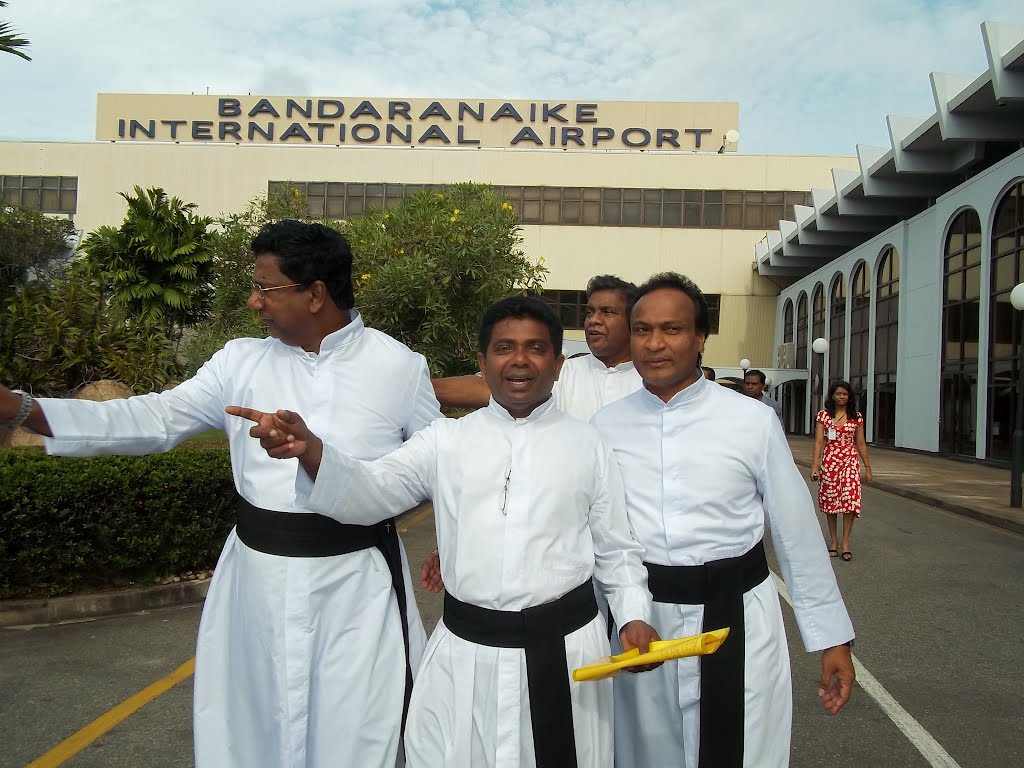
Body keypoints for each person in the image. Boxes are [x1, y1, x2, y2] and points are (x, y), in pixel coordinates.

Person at [0, 220, 442, 768]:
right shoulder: (240, 362)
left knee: (357, 734)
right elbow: (156, 418)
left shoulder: (397, 366)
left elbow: (436, 464)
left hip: (357, 584)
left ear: (316, 294)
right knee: (251, 729)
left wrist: (449, 537)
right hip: (254, 580)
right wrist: (25, 411)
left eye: (267, 288)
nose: (254, 302)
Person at [229, 296, 659, 768]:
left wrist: (633, 616)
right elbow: (374, 489)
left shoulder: (588, 444)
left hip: (568, 652)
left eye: (536, 348)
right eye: (503, 348)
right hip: (467, 652)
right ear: (482, 363)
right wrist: (313, 453)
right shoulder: (445, 441)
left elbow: (617, 550)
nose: (519, 360)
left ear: (558, 366)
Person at [590, 272, 855, 768]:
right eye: (643, 330)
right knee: (645, 752)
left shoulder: (751, 420)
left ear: (699, 337)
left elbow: (796, 532)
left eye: (671, 329)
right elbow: (587, 528)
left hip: (737, 616)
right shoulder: (605, 426)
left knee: (741, 752)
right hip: (645, 618)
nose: (655, 343)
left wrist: (831, 637)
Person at [431, 274, 642, 421]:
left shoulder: (651, 382)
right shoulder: (561, 372)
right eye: (589, 312)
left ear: (633, 320)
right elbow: (483, 387)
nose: (593, 320)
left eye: (607, 312)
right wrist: (412, 387)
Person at [811, 380, 872, 561]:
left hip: (850, 462)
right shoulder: (824, 416)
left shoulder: (856, 416)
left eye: (845, 394)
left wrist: (867, 466)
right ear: (832, 396)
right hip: (830, 462)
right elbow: (819, 443)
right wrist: (815, 466)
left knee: (849, 502)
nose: (842, 397)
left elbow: (860, 443)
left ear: (849, 396)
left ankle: (845, 542)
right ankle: (834, 541)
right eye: (838, 394)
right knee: (831, 503)